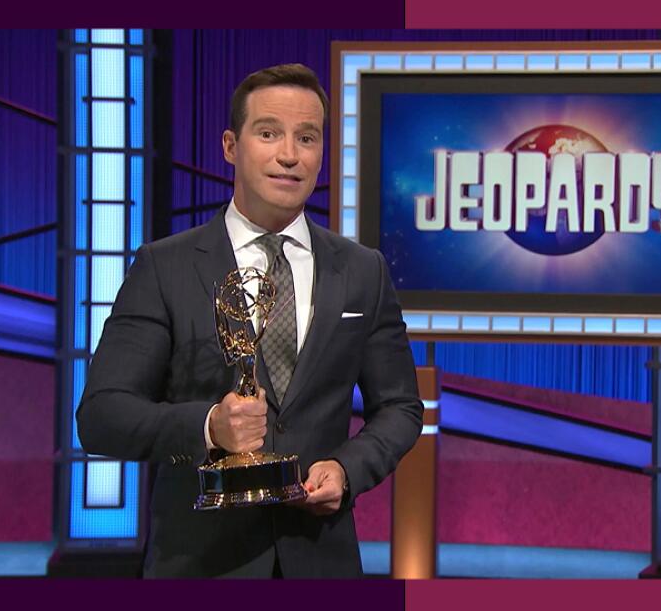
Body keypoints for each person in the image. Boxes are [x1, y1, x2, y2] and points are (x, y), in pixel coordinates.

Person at [76, 63, 422, 578]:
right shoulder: (165, 266)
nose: (289, 155)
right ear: (230, 146)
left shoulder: (362, 270)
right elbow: (102, 416)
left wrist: (348, 470)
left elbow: (399, 407)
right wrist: (209, 426)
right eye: (268, 133)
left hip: (320, 560)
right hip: (199, 563)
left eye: (307, 137)